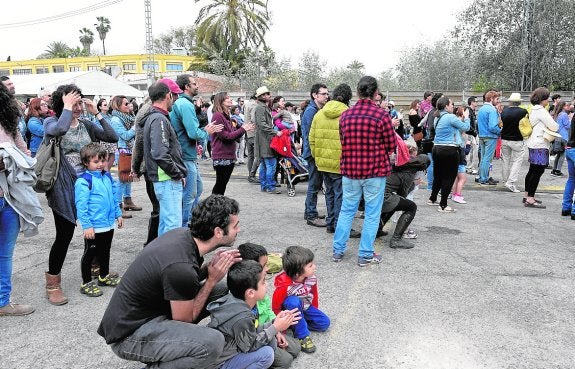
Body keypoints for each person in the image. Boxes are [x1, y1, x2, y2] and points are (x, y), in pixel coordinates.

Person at [98, 195, 243, 369]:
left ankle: (180, 349)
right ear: (218, 232)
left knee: (222, 288)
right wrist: (210, 280)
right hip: (128, 335)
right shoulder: (180, 267)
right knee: (212, 343)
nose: (238, 230)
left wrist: (209, 268)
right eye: (235, 226)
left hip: (151, 314)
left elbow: (184, 280)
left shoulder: (183, 236)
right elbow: (185, 320)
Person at [42, 84, 118, 306]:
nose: (77, 107)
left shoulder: (86, 124)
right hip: (63, 187)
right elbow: (59, 131)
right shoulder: (51, 122)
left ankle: (94, 269)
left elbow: (112, 137)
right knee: (64, 235)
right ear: (61, 104)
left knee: (94, 231)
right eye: (72, 103)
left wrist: (97, 113)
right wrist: (66, 108)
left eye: (78, 103)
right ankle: (53, 283)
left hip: (88, 185)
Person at [331, 76, 396, 267]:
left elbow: (343, 141)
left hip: (350, 171)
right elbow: (391, 145)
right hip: (374, 171)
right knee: (372, 213)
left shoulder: (346, 115)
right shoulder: (381, 115)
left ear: (357, 92)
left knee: (347, 210)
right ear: (376, 93)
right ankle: (365, 254)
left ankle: (338, 250)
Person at [208, 260, 301, 369]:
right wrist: (275, 328)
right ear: (251, 293)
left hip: (235, 346)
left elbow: (253, 329)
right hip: (222, 361)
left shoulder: (244, 301)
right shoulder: (241, 317)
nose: (266, 284)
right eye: (263, 282)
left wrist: (274, 323)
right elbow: (249, 347)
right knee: (267, 354)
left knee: (291, 348)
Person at [0, 82, 43, 316]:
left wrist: (19, 160)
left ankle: (2, 303)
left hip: (9, 199)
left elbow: (24, 152)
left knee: (4, 253)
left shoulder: (10, 121)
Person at [238, 242, 301, 369]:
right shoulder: (243, 302)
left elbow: (268, 309)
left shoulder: (258, 289)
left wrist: (276, 330)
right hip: (255, 338)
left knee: (295, 348)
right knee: (286, 360)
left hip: (265, 331)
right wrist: (273, 330)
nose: (267, 269)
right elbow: (249, 341)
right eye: (264, 265)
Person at [309, 83, 360, 238]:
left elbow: (311, 139)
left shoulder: (319, 114)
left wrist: (318, 157)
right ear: (348, 98)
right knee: (341, 196)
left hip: (323, 164)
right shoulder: (348, 114)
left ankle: (331, 223)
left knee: (329, 193)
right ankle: (340, 225)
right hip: (341, 164)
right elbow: (352, 141)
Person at [170, 74, 222, 226]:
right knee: (189, 195)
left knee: (197, 190)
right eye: (194, 83)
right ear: (186, 87)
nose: (197, 86)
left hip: (188, 154)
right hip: (185, 156)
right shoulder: (185, 105)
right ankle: (184, 226)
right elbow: (193, 132)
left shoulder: (182, 103)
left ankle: (191, 222)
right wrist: (207, 131)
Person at [74, 143, 123, 297]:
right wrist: (87, 226)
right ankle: (86, 283)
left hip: (108, 224)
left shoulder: (107, 177)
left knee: (105, 251)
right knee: (90, 253)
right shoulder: (83, 182)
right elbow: (81, 206)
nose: (100, 164)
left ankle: (104, 276)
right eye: (96, 162)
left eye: (102, 161)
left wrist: (118, 214)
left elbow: (114, 198)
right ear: (85, 163)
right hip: (94, 226)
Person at [141, 80, 187, 235]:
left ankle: (163, 257)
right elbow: (160, 153)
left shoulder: (155, 117)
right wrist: (177, 173)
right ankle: (170, 258)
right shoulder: (158, 119)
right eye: (173, 96)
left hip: (164, 178)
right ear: (168, 96)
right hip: (166, 178)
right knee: (172, 225)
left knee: (166, 223)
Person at [272, 246, 330, 354]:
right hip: (290, 310)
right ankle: (302, 336)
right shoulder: (284, 285)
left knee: (324, 323)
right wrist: (280, 327)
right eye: (310, 265)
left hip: (305, 306)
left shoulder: (311, 278)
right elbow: (275, 306)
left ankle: (296, 323)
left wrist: (315, 310)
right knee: (292, 301)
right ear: (298, 272)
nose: (314, 267)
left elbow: (314, 295)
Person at [378, 143, 430, 249]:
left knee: (395, 202)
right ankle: (396, 239)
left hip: (373, 195)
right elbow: (403, 194)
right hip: (382, 197)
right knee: (411, 206)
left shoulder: (397, 163)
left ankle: (377, 230)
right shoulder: (409, 171)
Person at [427, 97, 470, 213]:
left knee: (438, 175)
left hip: (436, 148)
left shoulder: (438, 116)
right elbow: (466, 127)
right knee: (449, 177)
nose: (453, 106)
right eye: (452, 104)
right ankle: (443, 205)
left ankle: (432, 198)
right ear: (446, 106)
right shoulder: (450, 117)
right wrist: (466, 117)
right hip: (449, 149)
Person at [210, 92, 255, 195]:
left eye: (230, 98)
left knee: (222, 185)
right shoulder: (218, 116)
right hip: (222, 157)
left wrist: (244, 128)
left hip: (229, 156)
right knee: (220, 185)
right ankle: (214, 207)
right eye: (227, 98)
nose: (230, 99)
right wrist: (243, 129)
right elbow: (225, 136)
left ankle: (217, 207)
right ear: (220, 102)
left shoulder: (227, 116)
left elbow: (233, 134)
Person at [524, 87, 560, 209]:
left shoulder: (533, 109)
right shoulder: (542, 110)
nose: (548, 100)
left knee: (532, 170)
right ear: (543, 99)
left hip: (532, 142)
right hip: (540, 144)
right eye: (547, 97)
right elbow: (554, 126)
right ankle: (530, 198)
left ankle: (527, 195)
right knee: (538, 171)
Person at [302, 83, 329, 227]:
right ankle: (311, 215)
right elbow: (312, 136)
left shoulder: (317, 109)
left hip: (315, 153)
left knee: (316, 184)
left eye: (327, 93)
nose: (326, 96)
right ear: (315, 95)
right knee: (314, 184)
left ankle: (309, 211)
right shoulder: (311, 111)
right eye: (323, 94)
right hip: (313, 153)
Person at [109, 95, 142, 218]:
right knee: (123, 179)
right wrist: (135, 127)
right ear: (118, 106)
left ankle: (128, 201)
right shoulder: (116, 120)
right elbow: (125, 136)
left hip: (129, 150)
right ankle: (118, 206)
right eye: (125, 104)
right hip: (122, 151)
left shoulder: (128, 117)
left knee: (129, 177)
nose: (129, 106)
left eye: (128, 103)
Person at [254, 86, 282, 194]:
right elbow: (262, 124)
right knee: (270, 164)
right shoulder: (261, 108)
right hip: (265, 140)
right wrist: (275, 132)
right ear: (262, 96)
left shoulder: (263, 107)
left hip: (263, 139)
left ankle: (264, 186)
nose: (269, 96)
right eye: (267, 94)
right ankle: (270, 187)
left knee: (265, 165)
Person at [500, 93, 528, 193]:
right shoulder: (523, 112)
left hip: (504, 139)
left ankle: (505, 180)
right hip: (517, 139)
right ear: (519, 102)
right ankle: (511, 182)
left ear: (510, 101)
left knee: (505, 160)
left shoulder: (504, 111)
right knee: (517, 161)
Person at [477, 90, 501, 185]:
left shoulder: (482, 109)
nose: (498, 101)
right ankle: (484, 178)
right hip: (490, 136)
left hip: (482, 135)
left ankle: (483, 177)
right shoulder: (492, 110)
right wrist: (500, 131)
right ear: (491, 99)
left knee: (483, 158)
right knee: (487, 159)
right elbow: (492, 126)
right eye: (497, 99)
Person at [96, 98, 117, 173]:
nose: (107, 106)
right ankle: (106, 176)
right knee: (106, 158)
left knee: (112, 158)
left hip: (112, 140)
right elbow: (98, 128)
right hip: (105, 140)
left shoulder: (109, 116)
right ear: (100, 107)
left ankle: (106, 174)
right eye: (104, 105)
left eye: (107, 104)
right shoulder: (98, 117)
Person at [551, 101, 571, 176]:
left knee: (558, 154)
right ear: (563, 107)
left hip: (557, 136)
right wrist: (570, 120)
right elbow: (567, 126)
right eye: (566, 105)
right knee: (563, 154)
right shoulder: (565, 114)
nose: (568, 107)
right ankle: (558, 170)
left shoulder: (557, 114)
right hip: (564, 137)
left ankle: (554, 169)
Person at [561, 113, 575, 220]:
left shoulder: (573, 117)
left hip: (570, 148)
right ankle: (574, 210)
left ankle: (566, 208)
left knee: (571, 179)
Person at [244, 94, 260, 183]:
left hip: (247, 132)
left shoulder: (246, 104)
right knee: (257, 155)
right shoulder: (254, 105)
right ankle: (252, 175)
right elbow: (254, 119)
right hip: (253, 132)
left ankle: (250, 174)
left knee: (250, 155)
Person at [464, 96, 479, 175]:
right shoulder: (467, 110)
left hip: (472, 134)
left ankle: (470, 167)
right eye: (476, 101)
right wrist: (473, 131)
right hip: (469, 134)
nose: (477, 102)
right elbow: (467, 122)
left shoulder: (472, 111)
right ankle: (468, 167)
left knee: (473, 151)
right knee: (469, 151)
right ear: (472, 102)